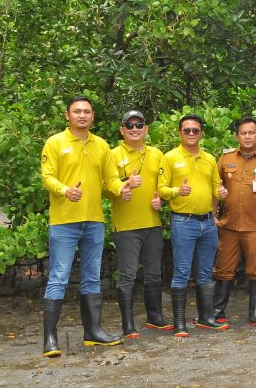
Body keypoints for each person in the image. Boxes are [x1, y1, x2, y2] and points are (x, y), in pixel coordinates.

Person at [39, 96, 127, 357]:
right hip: (64, 222)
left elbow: (110, 181)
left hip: (94, 221)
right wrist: (65, 190)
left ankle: (93, 332)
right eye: (77, 111)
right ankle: (51, 339)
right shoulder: (55, 142)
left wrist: (124, 188)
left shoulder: (101, 145)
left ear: (93, 116)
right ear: (67, 115)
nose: (82, 115)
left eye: (87, 111)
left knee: (92, 275)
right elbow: (47, 177)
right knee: (59, 276)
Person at [157, 114, 228, 337]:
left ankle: (206, 318)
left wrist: (222, 193)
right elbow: (161, 190)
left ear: (201, 134)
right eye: (186, 130)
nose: (191, 134)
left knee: (206, 272)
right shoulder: (169, 158)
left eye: (195, 130)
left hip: (207, 222)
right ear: (180, 133)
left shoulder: (208, 159)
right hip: (183, 222)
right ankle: (179, 323)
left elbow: (217, 187)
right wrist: (178, 191)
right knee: (181, 272)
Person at [212, 117, 256, 326]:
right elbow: (215, 187)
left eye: (251, 133)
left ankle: (255, 313)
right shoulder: (225, 158)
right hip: (229, 226)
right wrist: (214, 214)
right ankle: (218, 312)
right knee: (223, 268)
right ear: (237, 136)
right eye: (243, 133)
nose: (247, 136)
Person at [108, 110, 168, 337]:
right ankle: (128, 323)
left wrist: (161, 200)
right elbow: (106, 187)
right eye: (129, 125)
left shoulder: (157, 154)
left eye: (139, 125)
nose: (135, 129)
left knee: (153, 273)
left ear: (146, 129)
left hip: (152, 223)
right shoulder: (112, 154)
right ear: (122, 130)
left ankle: (155, 317)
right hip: (126, 226)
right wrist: (124, 185)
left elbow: (164, 185)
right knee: (128, 275)